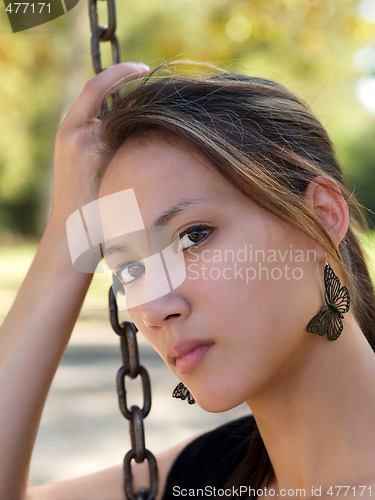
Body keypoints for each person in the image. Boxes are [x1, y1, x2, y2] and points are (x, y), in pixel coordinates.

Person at [1, 61, 375, 500]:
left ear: (321, 218)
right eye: (130, 269)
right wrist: (70, 235)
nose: (156, 308)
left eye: (192, 236)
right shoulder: (206, 478)